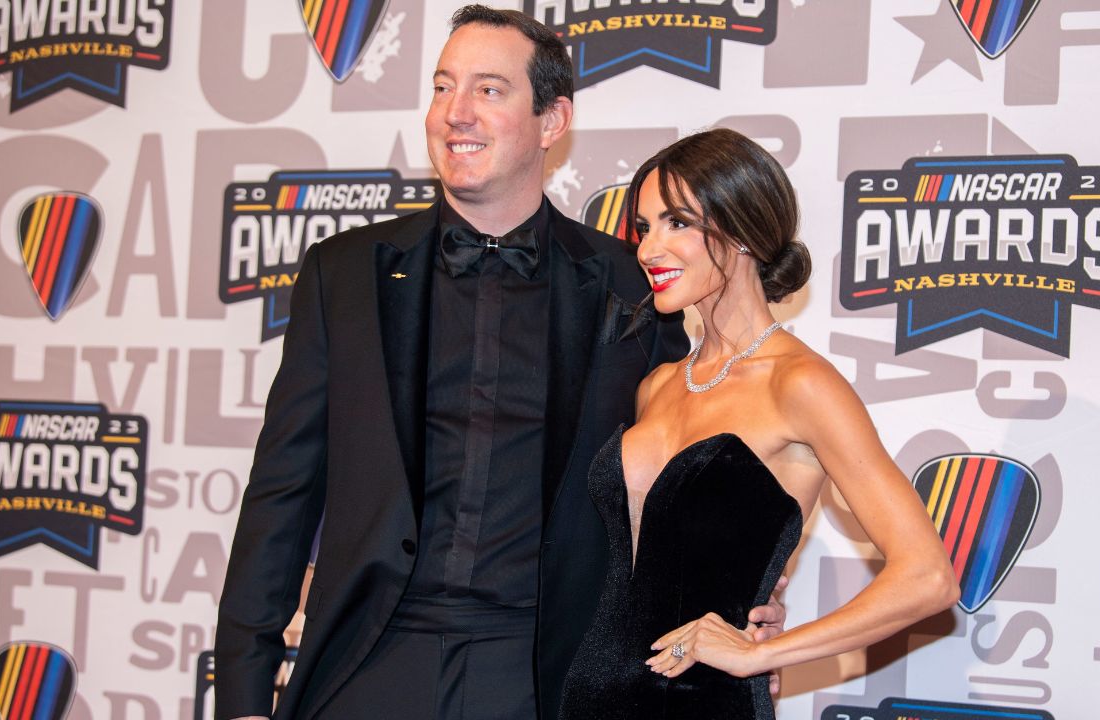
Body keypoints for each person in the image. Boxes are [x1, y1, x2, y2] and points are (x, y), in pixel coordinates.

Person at [213, 7, 791, 720]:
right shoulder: (346, 274)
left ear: (552, 122)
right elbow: (281, 494)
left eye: (489, 90)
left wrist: (739, 597)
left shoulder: (630, 283)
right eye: (442, 86)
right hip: (368, 658)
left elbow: (691, 471)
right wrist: (241, 696)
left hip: (544, 669)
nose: (456, 113)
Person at [557, 128, 960, 720]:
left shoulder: (800, 384)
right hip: (593, 694)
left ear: (741, 232)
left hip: (707, 704)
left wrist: (761, 653)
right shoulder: (659, 384)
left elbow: (928, 578)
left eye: (677, 223)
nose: (647, 249)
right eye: (644, 228)